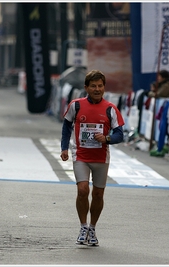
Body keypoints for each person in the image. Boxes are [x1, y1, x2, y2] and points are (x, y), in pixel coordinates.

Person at [60, 70, 125, 245]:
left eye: (100, 86)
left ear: (104, 87)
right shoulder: (76, 105)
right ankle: (83, 226)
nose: (97, 89)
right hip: (81, 155)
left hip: (101, 158)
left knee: (97, 194)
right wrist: (64, 147)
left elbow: (120, 135)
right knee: (82, 190)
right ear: (86, 88)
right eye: (93, 86)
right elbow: (66, 126)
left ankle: (92, 228)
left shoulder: (110, 108)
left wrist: (107, 138)